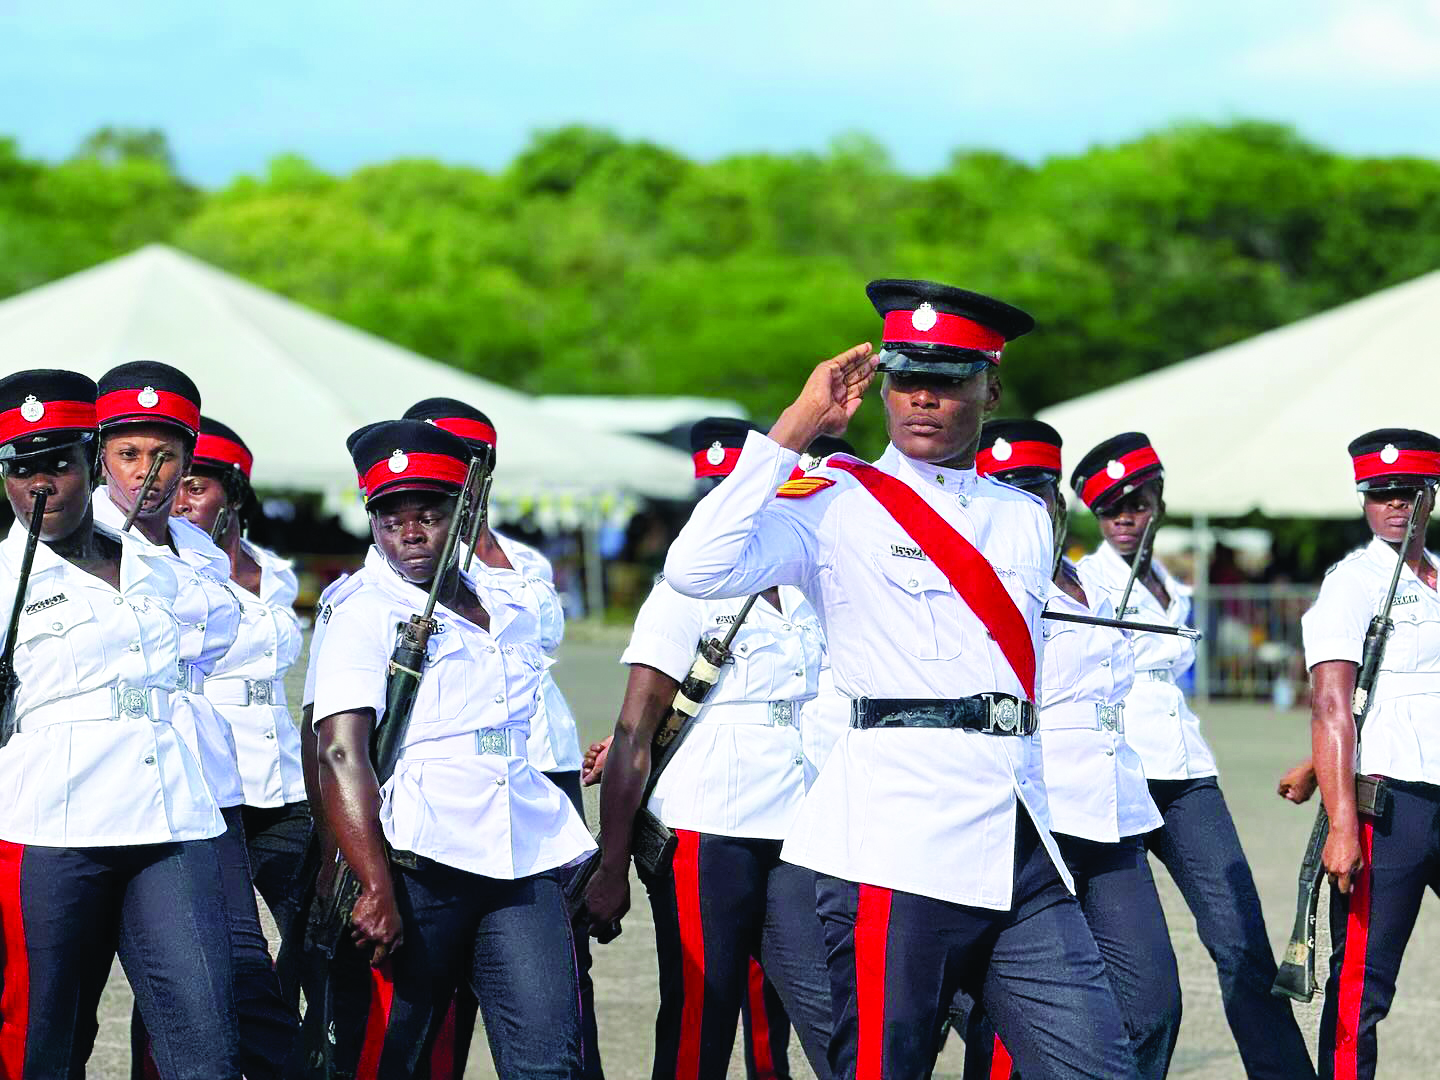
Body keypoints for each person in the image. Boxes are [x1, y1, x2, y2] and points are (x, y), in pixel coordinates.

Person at [661, 279, 1137, 1080]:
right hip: (897, 840)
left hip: (1016, 831)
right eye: (906, 378)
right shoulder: (832, 497)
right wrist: (792, 430)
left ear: (991, 389)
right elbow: (694, 568)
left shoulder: (1022, 515)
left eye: (948, 380)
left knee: (1099, 1063)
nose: (923, 399)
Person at [311, 419, 595, 1077]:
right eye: (390, 517)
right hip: (419, 861)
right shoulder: (363, 609)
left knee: (550, 1059)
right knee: (385, 1056)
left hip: (520, 857)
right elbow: (340, 751)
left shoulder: (507, 599)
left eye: (428, 514)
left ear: (463, 510)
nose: (409, 531)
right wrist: (372, 880)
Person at [0, 369, 239, 1080]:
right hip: (52, 834)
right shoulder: (3, 580)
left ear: (89, 457)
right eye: (20, 469)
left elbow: (212, 650)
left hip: (171, 823)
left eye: (59, 465)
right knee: (44, 1039)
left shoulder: (158, 562)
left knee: (204, 1040)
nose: (41, 486)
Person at [584, 417, 835, 1080]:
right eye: (715, 490)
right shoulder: (683, 590)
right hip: (706, 830)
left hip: (797, 823)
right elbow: (636, 729)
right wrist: (612, 867)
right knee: (704, 1013)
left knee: (820, 1006)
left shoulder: (806, 586)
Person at [1072, 433, 1314, 1080]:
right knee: (1139, 977)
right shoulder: (1086, 581)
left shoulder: (1174, 588)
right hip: (1115, 770)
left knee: (1242, 942)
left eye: (1137, 501)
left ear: (1159, 500)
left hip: (1186, 774)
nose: (1124, 517)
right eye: (1110, 508)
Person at [90, 361, 297, 1080]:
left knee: (219, 984)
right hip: (89, 798)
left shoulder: (209, 554)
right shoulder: (74, 542)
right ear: (101, 455)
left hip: (206, 790)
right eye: (128, 453)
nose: (150, 473)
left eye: (168, 456)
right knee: (57, 1012)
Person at [960, 419, 1180, 1079]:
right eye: (1007, 491)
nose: (1026, 507)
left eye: (1038, 490)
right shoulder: (983, 590)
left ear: (1057, 501)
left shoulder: (1098, 585)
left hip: (1114, 813)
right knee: (1015, 1028)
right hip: (1036, 818)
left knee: (1152, 1004)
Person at [402, 395, 602, 1079]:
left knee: (563, 959)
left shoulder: (523, 562)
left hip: (544, 771)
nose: (460, 477)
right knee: (443, 966)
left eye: (472, 464)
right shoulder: (404, 565)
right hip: (453, 784)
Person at [1301, 428, 1440, 1080]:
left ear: (1430, 497)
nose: (1391, 507)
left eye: (1405, 494)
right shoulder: (1352, 583)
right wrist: (1343, 822)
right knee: (1362, 981)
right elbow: (1332, 705)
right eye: (1378, 494)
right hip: (1394, 803)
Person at [172, 417, 311, 949]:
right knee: (216, 945)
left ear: (232, 495)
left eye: (196, 486)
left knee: (319, 928)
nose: (180, 501)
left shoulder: (275, 572)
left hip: (282, 781)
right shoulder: (164, 570)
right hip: (211, 776)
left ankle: (300, 1034)